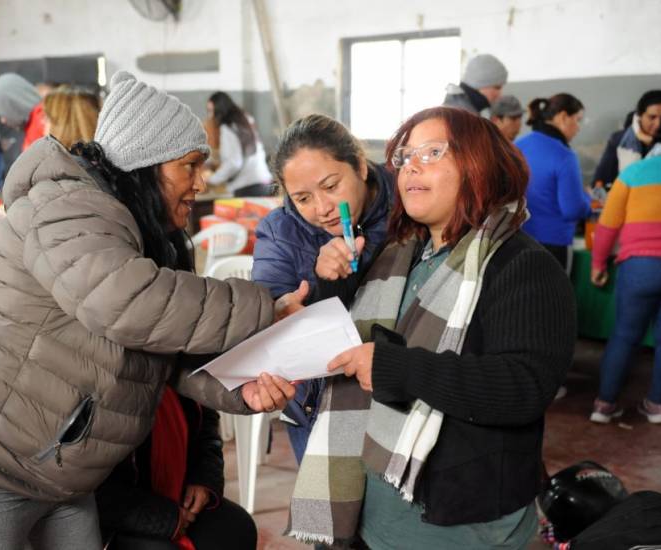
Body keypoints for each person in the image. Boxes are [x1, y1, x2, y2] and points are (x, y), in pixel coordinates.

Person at [0, 71, 297, 550]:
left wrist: (239, 391)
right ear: (145, 165)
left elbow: (154, 350)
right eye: (189, 165)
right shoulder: (68, 205)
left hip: (56, 474)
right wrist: (264, 306)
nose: (200, 182)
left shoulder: (145, 235)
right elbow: (127, 303)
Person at [285, 106, 575, 549]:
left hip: (461, 515)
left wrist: (396, 368)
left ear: (480, 163)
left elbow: (523, 387)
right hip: (378, 500)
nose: (411, 165)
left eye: (433, 152)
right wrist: (333, 284)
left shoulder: (523, 266)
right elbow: (348, 341)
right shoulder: (400, 255)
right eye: (404, 156)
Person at [252, 114, 394, 461]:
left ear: (360, 166)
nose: (323, 209)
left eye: (331, 186)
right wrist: (309, 294)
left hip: (397, 393)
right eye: (302, 198)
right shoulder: (279, 232)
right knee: (327, 512)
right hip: (317, 405)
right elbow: (270, 315)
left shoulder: (406, 208)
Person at [589, 118, 661, 425]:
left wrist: (598, 263)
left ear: (658, 143)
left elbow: (608, 225)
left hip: (640, 267)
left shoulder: (634, 173)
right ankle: (657, 407)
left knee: (624, 336)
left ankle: (604, 406)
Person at [96, 390, 257, 549]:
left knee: (238, 529)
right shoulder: (98, 388)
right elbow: (88, 490)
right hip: (122, 515)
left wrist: (203, 478)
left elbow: (207, 426)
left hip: (178, 495)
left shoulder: (179, 371)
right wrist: (165, 518)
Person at [516, 93, 591, 272]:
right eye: (578, 120)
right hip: (554, 244)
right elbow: (572, 209)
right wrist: (588, 201)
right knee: (554, 299)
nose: (578, 128)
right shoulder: (564, 156)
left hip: (516, 239)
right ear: (563, 117)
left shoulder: (517, 146)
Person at [592, 90, 661, 190]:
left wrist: (653, 143)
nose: (658, 124)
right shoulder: (620, 140)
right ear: (640, 116)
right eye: (652, 117)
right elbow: (600, 181)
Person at [205, 92, 273, 196]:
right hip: (264, 182)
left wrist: (211, 180)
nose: (210, 116)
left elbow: (234, 162)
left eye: (211, 111)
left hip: (247, 187)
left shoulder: (227, 127)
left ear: (220, 109)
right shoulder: (246, 119)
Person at [0, 73, 47, 152]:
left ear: (15, 103)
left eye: (4, 112)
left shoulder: (41, 124)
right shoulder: (39, 119)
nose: (2, 121)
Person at [443, 54, 508, 116]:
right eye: (497, 87)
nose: (500, 94)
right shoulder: (462, 114)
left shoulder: (469, 109)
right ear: (480, 84)